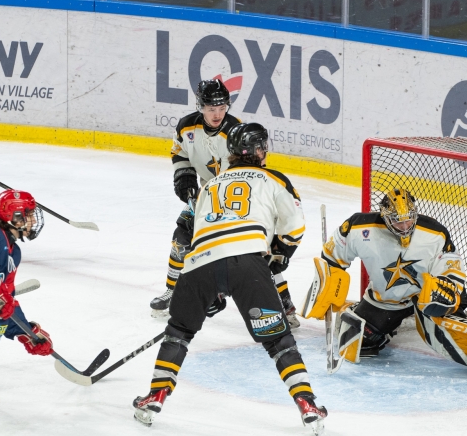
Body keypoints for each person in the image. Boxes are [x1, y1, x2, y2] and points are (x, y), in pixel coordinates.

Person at [133, 123, 327, 434]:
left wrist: (213, 292)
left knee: (178, 333)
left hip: (197, 265)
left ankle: (155, 397)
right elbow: (294, 226)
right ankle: (307, 404)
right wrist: (278, 253)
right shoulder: (274, 178)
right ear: (261, 151)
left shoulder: (212, 183)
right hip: (248, 264)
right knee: (278, 341)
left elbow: (200, 234)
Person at [302, 188, 467, 380]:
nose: (404, 225)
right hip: (389, 299)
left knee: (444, 331)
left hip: (427, 295)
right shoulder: (358, 228)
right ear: (385, 217)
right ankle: (379, 327)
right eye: (397, 221)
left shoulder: (434, 232)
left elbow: (451, 266)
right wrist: (328, 285)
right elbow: (332, 258)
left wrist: (447, 288)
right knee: (361, 344)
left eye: (409, 219)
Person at [150, 79, 301, 329]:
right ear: (200, 106)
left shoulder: (236, 132)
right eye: (211, 108)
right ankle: (172, 290)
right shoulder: (186, 127)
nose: (217, 114)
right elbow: (179, 152)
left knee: (255, 250)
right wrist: (184, 175)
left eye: (222, 108)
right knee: (182, 236)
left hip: (237, 199)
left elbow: (244, 174)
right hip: (208, 195)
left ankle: (285, 304)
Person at [0, 190, 54, 416]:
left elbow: (6, 300)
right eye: (28, 214)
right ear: (15, 216)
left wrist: (26, 332)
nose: (32, 220)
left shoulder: (14, 252)